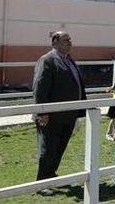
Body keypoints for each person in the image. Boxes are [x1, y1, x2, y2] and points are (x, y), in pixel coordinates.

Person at [32, 31, 87, 196]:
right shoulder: (47, 60)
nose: (70, 42)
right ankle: (41, 183)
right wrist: (43, 112)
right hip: (51, 116)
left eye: (70, 39)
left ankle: (51, 176)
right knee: (48, 149)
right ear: (54, 42)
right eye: (66, 40)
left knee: (59, 148)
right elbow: (40, 88)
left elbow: (76, 84)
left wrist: (80, 110)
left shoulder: (69, 59)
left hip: (68, 115)